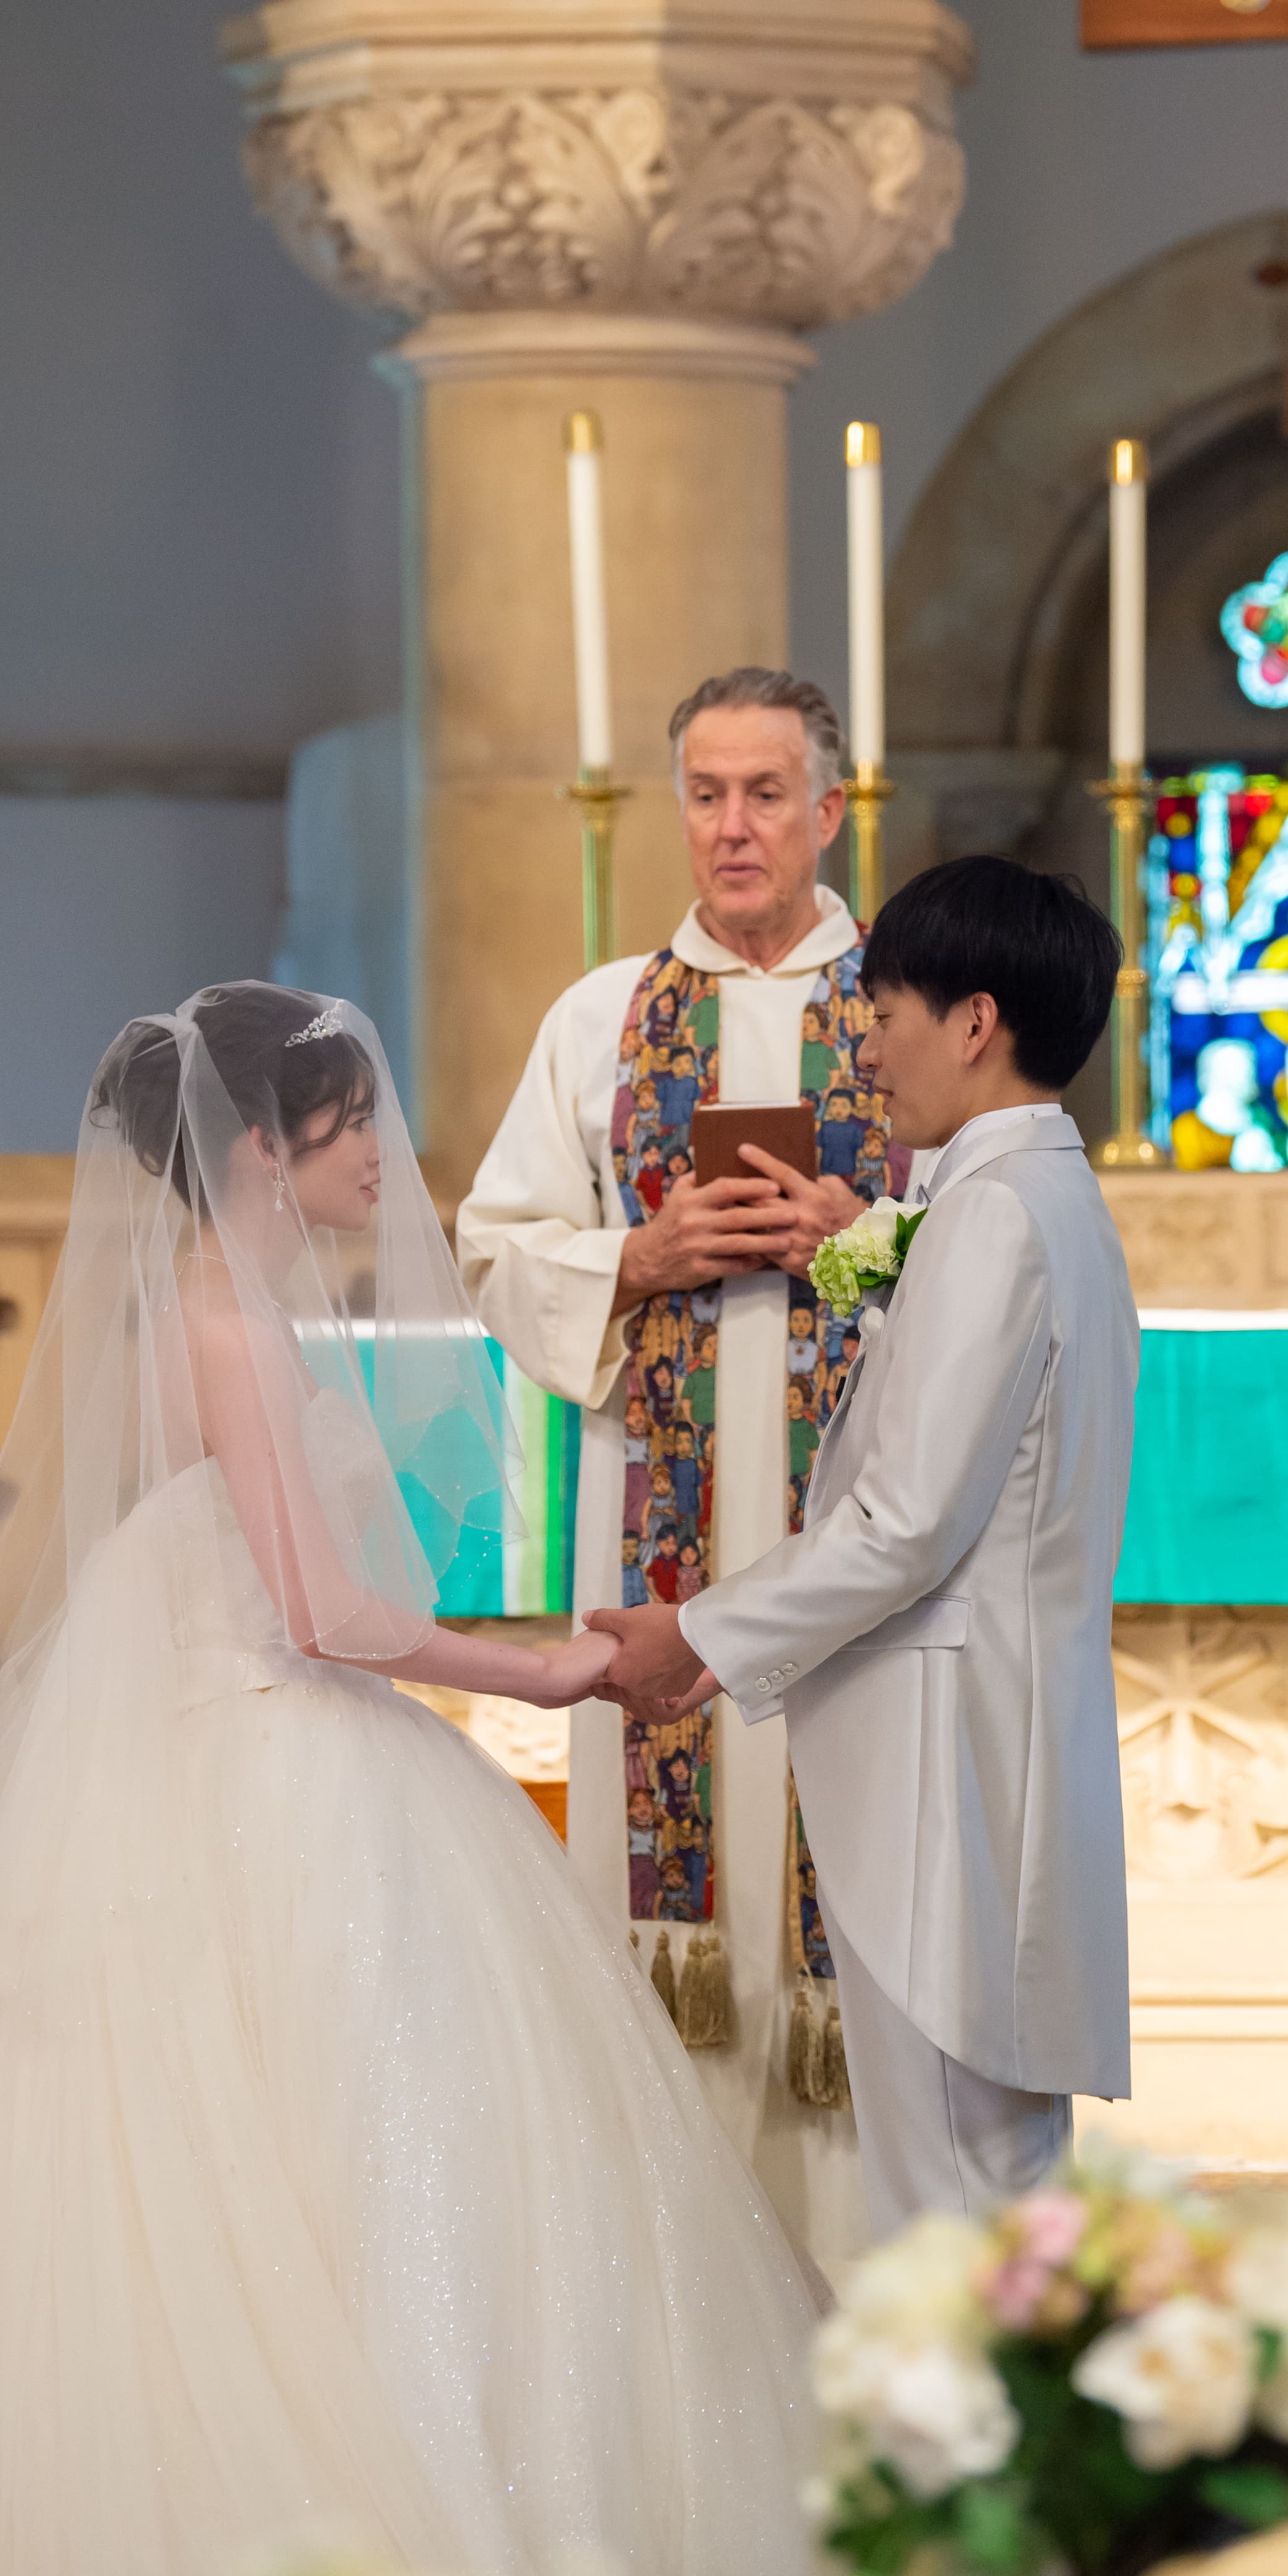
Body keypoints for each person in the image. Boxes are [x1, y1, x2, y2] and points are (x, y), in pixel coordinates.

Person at [0, 983, 820, 2576]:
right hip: (275, 1757)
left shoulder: (212, 1308)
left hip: (224, 1747)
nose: (381, 1147)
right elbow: (321, 1616)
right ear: (256, 1146)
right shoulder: (227, 1323)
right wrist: (550, 1669)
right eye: (347, 1118)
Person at [590, 858, 1140, 2238]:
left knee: (951, 2208)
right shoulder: (1032, 1197)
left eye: (887, 1014)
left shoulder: (996, 1215)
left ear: (975, 1023)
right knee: (987, 2203)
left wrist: (696, 1634)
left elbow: (904, 1524)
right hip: (983, 1741)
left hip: (945, 1770)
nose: (870, 1049)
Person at [459, 667, 892, 2259]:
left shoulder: (910, 1009)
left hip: (860, 1541)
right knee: (677, 1928)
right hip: (660, 1534)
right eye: (705, 794)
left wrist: (855, 1235)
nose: (731, 826)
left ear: (828, 808)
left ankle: (858, 2286)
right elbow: (496, 1245)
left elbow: (1001, 1249)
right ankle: (686, 2290)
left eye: (764, 793)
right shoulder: (602, 1020)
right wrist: (637, 1257)